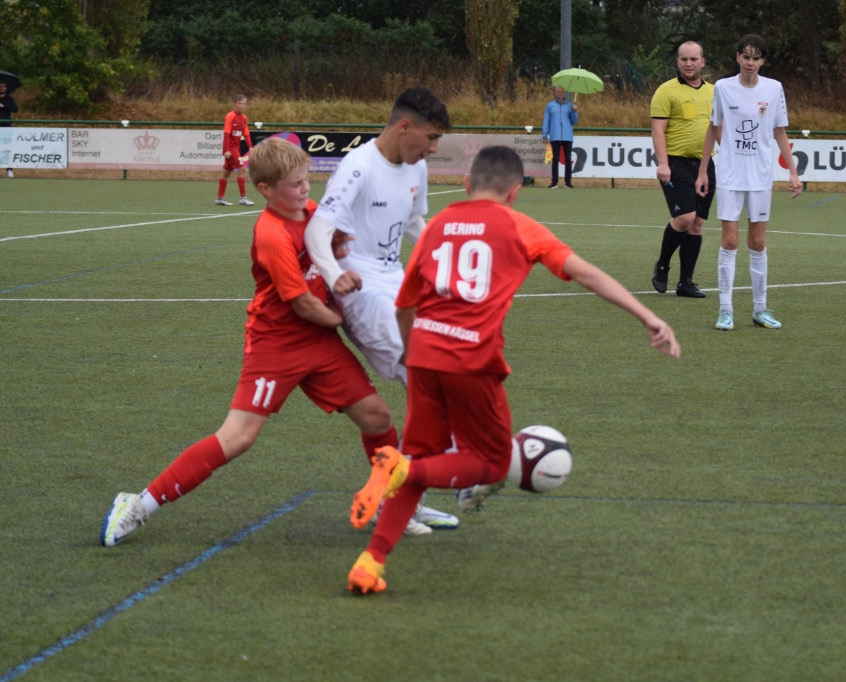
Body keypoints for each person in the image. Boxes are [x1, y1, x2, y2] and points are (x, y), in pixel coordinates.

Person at [344, 145, 681, 594]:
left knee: (421, 459)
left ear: (466, 184)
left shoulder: (436, 226)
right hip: (471, 360)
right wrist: (647, 316)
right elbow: (587, 274)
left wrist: (410, 353)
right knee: (492, 464)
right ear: (515, 192)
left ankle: (370, 563)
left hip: (423, 354)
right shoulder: (520, 226)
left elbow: (405, 306)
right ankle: (401, 470)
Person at [100, 137, 401, 547]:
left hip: (319, 342)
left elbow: (338, 248)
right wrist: (353, 322)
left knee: (377, 418)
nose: (305, 189)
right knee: (237, 437)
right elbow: (303, 305)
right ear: (265, 189)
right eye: (295, 184)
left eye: (306, 179)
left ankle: (393, 501)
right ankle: (139, 503)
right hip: (276, 344)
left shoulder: (312, 213)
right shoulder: (272, 234)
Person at [304, 85, 459, 533]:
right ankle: (396, 499)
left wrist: (443, 262)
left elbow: (413, 222)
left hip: (398, 285)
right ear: (404, 126)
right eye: (431, 138)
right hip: (364, 294)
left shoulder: (417, 167)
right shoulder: (358, 166)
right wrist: (334, 275)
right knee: (429, 381)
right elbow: (317, 231)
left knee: (440, 382)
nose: (433, 149)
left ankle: (406, 495)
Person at [696, 34, 801, 331]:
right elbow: (712, 128)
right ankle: (725, 310)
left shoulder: (774, 88)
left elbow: (779, 131)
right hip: (730, 175)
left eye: (756, 58)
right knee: (730, 241)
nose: (750, 63)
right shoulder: (723, 88)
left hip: (760, 177)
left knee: (757, 242)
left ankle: (760, 309)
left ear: (763, 61)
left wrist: (793, 172)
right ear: (737, 57)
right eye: (746, 57)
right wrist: (703, 171)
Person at [649, 40, 715, 299]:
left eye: (694, 59)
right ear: (678, 62)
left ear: (702, 62)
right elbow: (658, 131)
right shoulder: (666, 91)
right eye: (684, 59)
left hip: (705, 164)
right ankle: (662, 265)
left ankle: (685, 283)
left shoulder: (714, 92)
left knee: (696, 224)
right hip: (676, 163)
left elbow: (719, 129)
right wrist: (663, 163)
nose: (689, 63)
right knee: (685, 218)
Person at [215, 95, 255, 206]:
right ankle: (243, 198)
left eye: (243, 104)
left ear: (246, 105)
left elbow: (246, 133)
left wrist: (250, 146)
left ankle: (219, 198)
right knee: (242, 169)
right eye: (239, 103)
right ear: (235, 104)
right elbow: (226, 134)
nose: (241, 105)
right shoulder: (230, 116)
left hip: (235, 148)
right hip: (230, 148)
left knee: (227, 172)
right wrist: (226, 150)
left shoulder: (244, 118)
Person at [541, 85, 579, 188]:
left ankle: (568, 182)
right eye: (558, 91)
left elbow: (574, 121)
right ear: (555, 93)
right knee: (555, 159)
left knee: (568, 159)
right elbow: (546, 120)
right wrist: (545, 134)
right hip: (555, 136)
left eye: (561, 91)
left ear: (564, 93)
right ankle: (554, 182)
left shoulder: (569, 105)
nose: (560, 93)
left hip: (567, 136)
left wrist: (575, 111)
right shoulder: (550, 105)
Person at [0, 79, 18, 178]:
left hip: (6, 127)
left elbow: (15, 109)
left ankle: (9, 170)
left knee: (7, 148)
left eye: (3, 86)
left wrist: (4, 106)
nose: (1, 88)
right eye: (0, 86)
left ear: (6, 88)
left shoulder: (9, 99)